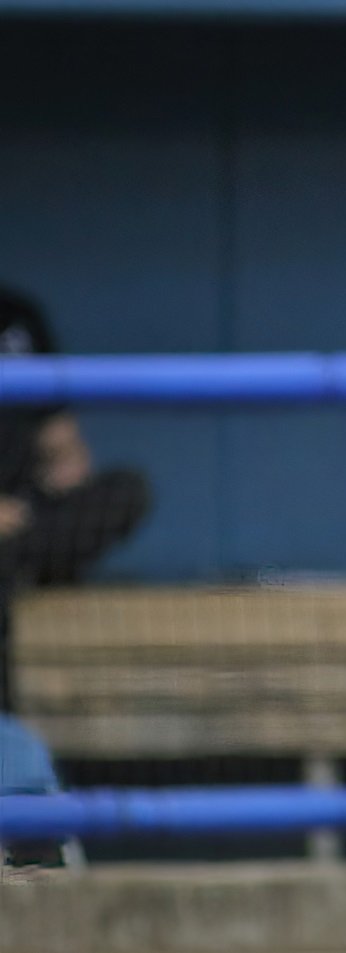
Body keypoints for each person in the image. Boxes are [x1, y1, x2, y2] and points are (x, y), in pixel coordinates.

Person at [0, 285, 151, 713]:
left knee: (126, 491)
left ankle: (18, 561)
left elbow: (60, 438)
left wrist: (67, 468)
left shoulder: (16, 313)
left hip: (29, 514)